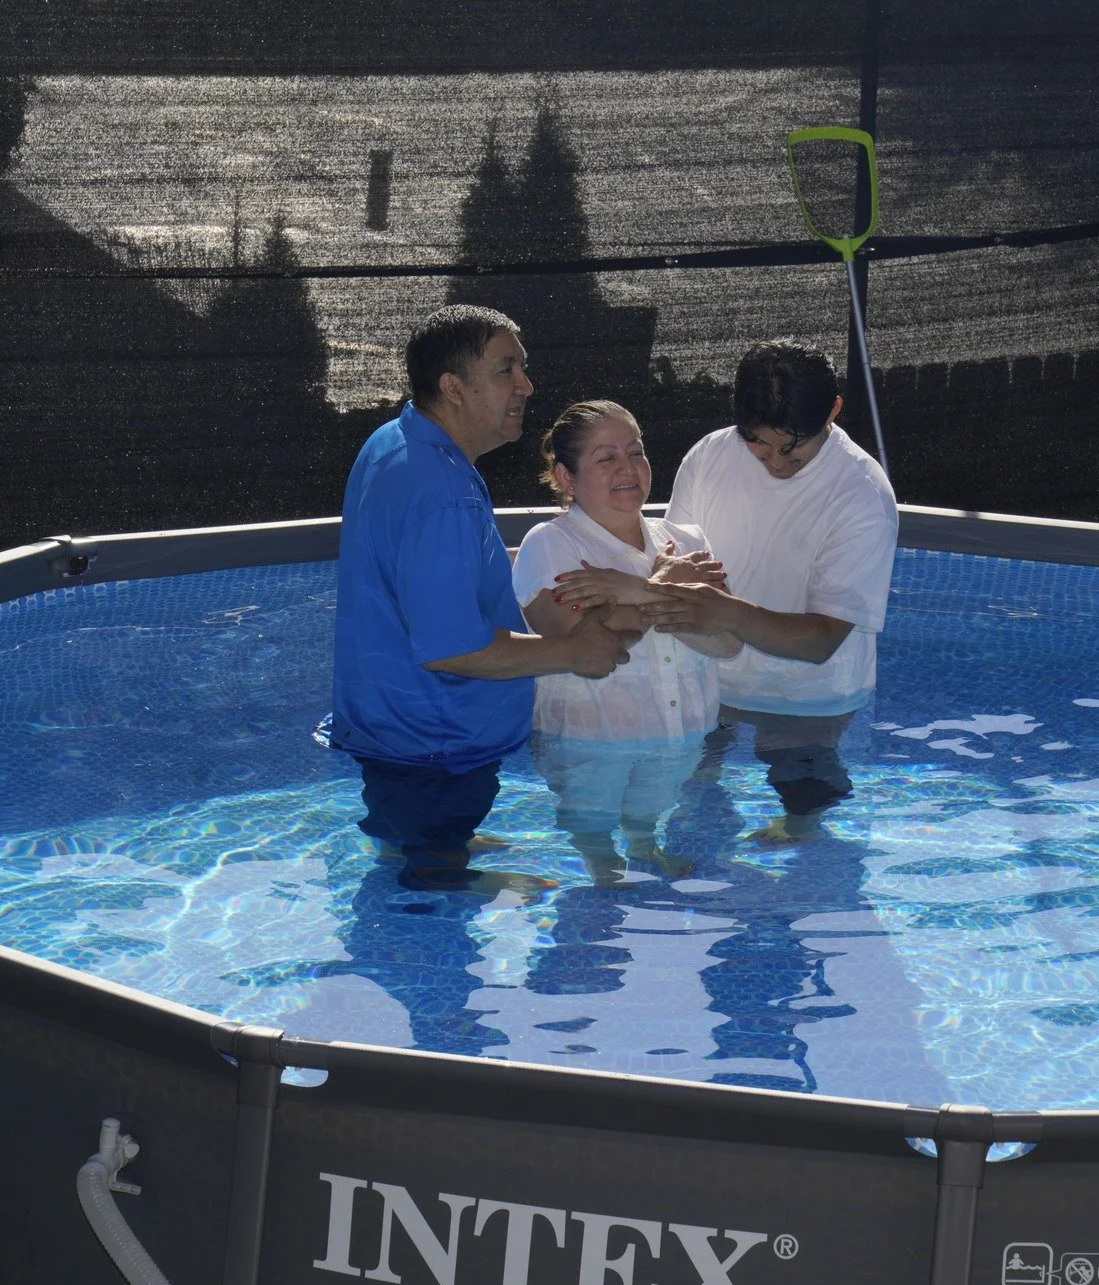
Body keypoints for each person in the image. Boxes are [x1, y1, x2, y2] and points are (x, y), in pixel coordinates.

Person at [328, 305, 636, 898]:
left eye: (522, 368)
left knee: (411, 832)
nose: (526, 386)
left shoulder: (395, 443)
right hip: (434, 741)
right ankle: (448, 871)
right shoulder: (441, 490)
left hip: (388, 722)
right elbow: (453, 649)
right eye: (505, 370)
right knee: (430, 880)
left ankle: (428, 846)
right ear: (453, 388)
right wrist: (574, 651)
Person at [563, 343, 896, 839]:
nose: (775, 461)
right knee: (688, 783)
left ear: (833, 411)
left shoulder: (863, 494)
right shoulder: (711, 455)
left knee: (803, 793)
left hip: (809, 691)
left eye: (792, 447)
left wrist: (726, 613)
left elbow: (823, 640)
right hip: (711, 676)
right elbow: (671, 563)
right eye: (759, 444)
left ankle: (801, 828)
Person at [510, 400, 739, 884]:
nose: (628, 468)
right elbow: (589, 641)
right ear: (566, 477)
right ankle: (599, 863)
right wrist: (673, 592)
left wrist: (634, 591)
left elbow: (728, 643)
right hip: (591, 742)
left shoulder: (686, 540)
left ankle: (643, 843)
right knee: (591, 820)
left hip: (682, 732)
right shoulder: (551, 544)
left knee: (650, 808)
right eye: (606, 457)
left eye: (636, 452)